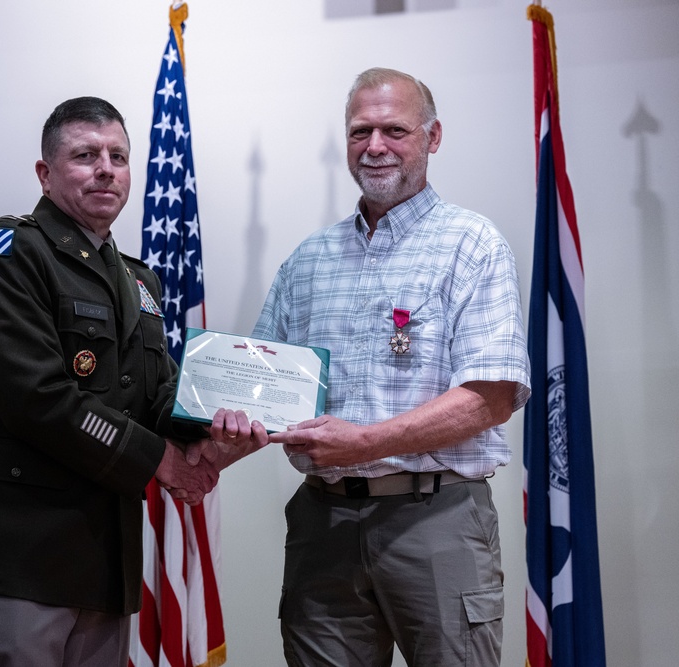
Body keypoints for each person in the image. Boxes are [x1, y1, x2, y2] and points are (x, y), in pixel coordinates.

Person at [211, 68, 531, 666]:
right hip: (322, 525)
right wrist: (197, 458)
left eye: (394, 130)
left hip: (437, 523)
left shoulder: (472, 244)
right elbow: (261, 394)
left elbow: (490, 396)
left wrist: (363, 443)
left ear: (433, 138)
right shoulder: (308, 261)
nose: (375, 146)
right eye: (361, 131)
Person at [0, 96, 219, 667]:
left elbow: (156, 394)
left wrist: (215, 432)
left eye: (119, 156)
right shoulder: (9, 252)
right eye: (85, 155)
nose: (107, 168)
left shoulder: (138, 279)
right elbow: (38, 398)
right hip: (17, 544)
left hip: (102, 547)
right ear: (45, 173)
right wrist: (163, 461)